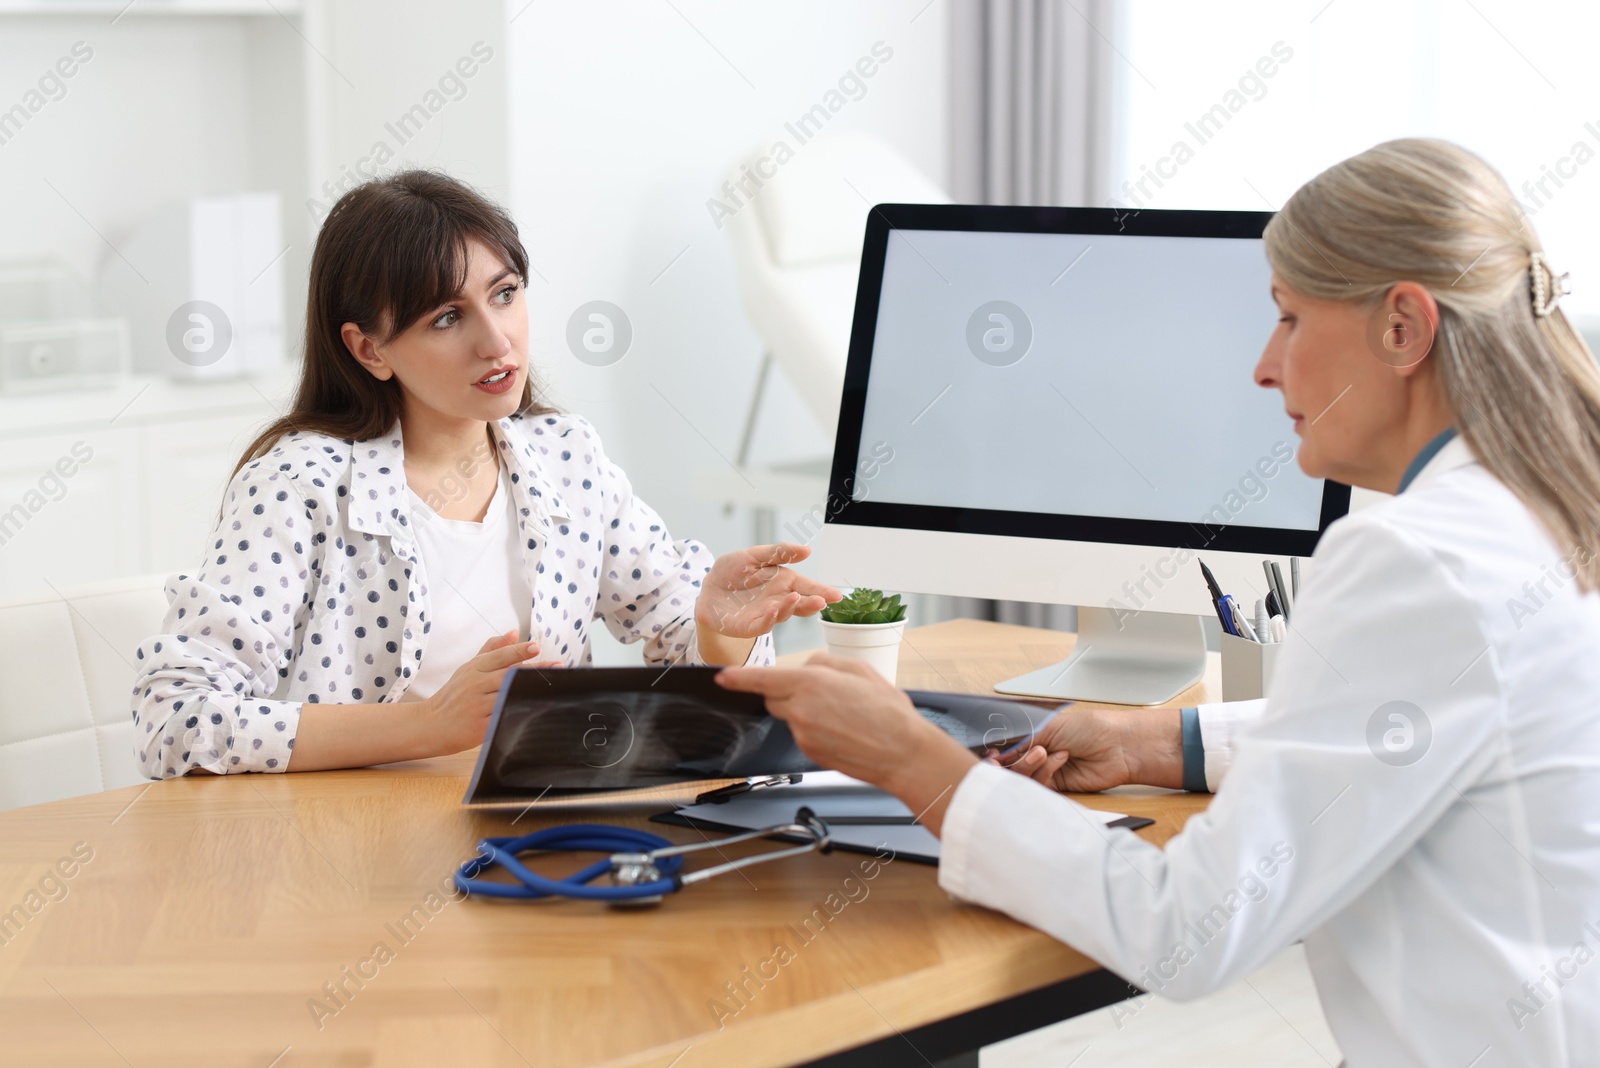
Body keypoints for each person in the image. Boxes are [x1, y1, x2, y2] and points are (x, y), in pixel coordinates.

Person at [717, 138, 1600, 1066]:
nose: (1264, 367)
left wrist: (916, 762)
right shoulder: (1539, 512)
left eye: (1289, 319)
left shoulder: (1416, 560)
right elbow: (1411, 725)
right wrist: (1160, 743)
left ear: (1403, 328)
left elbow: (1190, 927)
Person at [131, 170, 838, 779]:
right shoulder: (300, 484)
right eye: (446, 317)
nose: (496, 340)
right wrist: (432, 726)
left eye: (505, 294)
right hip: (343, 858)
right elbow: (176, 717)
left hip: (531, 834)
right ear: (369, 349)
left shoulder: (566, 458)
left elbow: (687, 645)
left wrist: (717, 631)